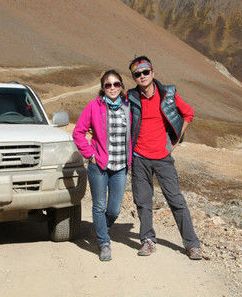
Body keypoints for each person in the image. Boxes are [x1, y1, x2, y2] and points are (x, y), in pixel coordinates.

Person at [127, 56, 202, 260]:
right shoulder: (131, 96)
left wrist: (175, 140)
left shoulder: (168, 93)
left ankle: (192, 244)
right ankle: (148, 240)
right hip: (139, 157)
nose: (142, 76)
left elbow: (188, 113)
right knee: (143, 201)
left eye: (145, 72)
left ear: (153, 73)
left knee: (176, 200)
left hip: (162, 157)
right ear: (134, 77)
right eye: (137, 74)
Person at [73, 70, 131, 261]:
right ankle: (104, 243)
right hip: (99, 166)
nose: (112, 88)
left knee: (114, 209)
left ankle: (100, 228)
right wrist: (90, 154)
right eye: (108, 85)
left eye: (116, 84)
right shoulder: (93, 106)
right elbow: (78, 133)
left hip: (121, 166)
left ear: (121, 87)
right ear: (103, 87)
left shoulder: (127, 107)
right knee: (99, 206)